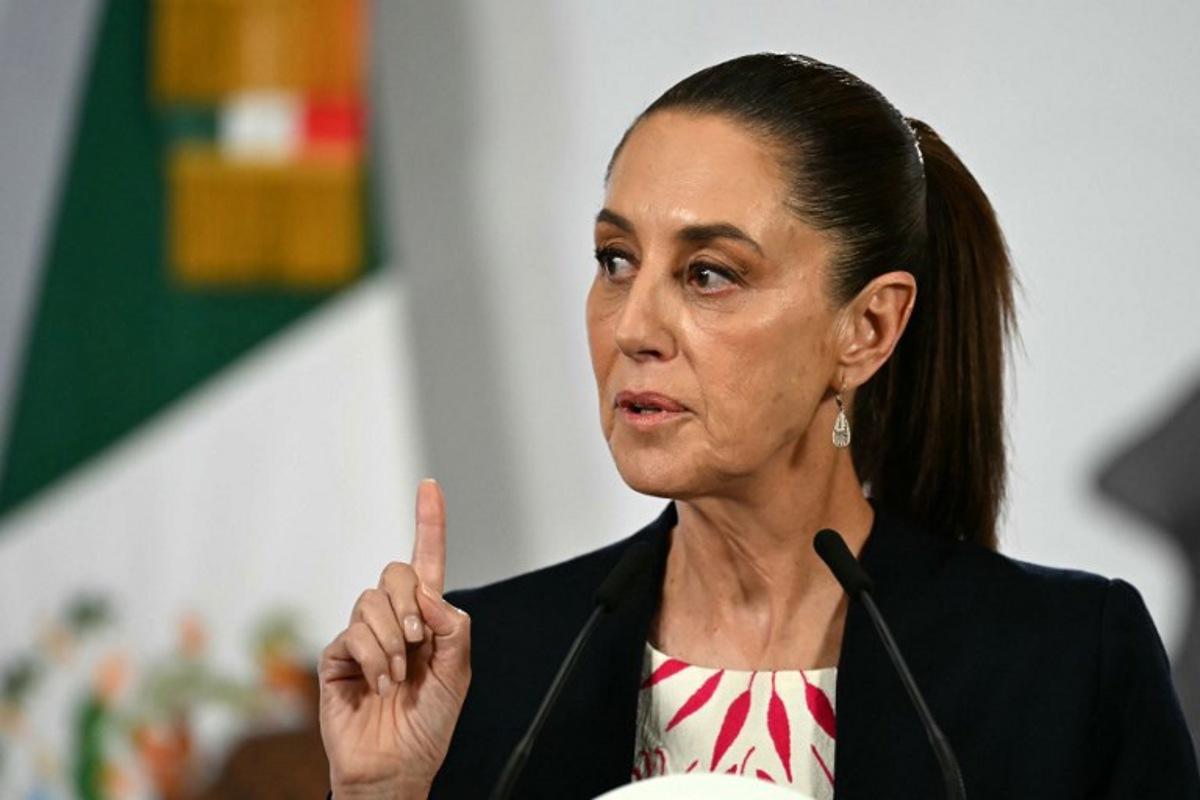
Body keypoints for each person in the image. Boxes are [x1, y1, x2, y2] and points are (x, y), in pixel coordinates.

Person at [316, 53, 1200, 799]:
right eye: (616, 261)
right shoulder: (480, 670)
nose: (632, 327)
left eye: (708, 273)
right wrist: (380, 795)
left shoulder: (1067, 665)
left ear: (867, 329)